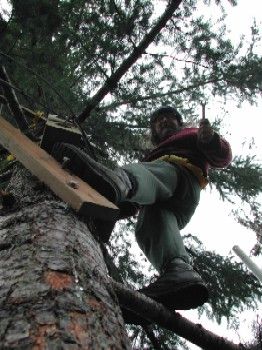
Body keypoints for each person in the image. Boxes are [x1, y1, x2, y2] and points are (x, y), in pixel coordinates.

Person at [52, 106, 232, 311]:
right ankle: (178, 272)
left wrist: (209, 140)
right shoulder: (154, 156)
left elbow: (223, 156)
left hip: (181, 176)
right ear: (153, 131)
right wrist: (114, 210)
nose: (164, 121)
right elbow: (137, 200)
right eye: (159, 120)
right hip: (174, 204)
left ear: (179, 124)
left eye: (169, 118)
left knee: (142, 175)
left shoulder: (190, 134)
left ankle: (119, 182)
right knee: (149, 223)